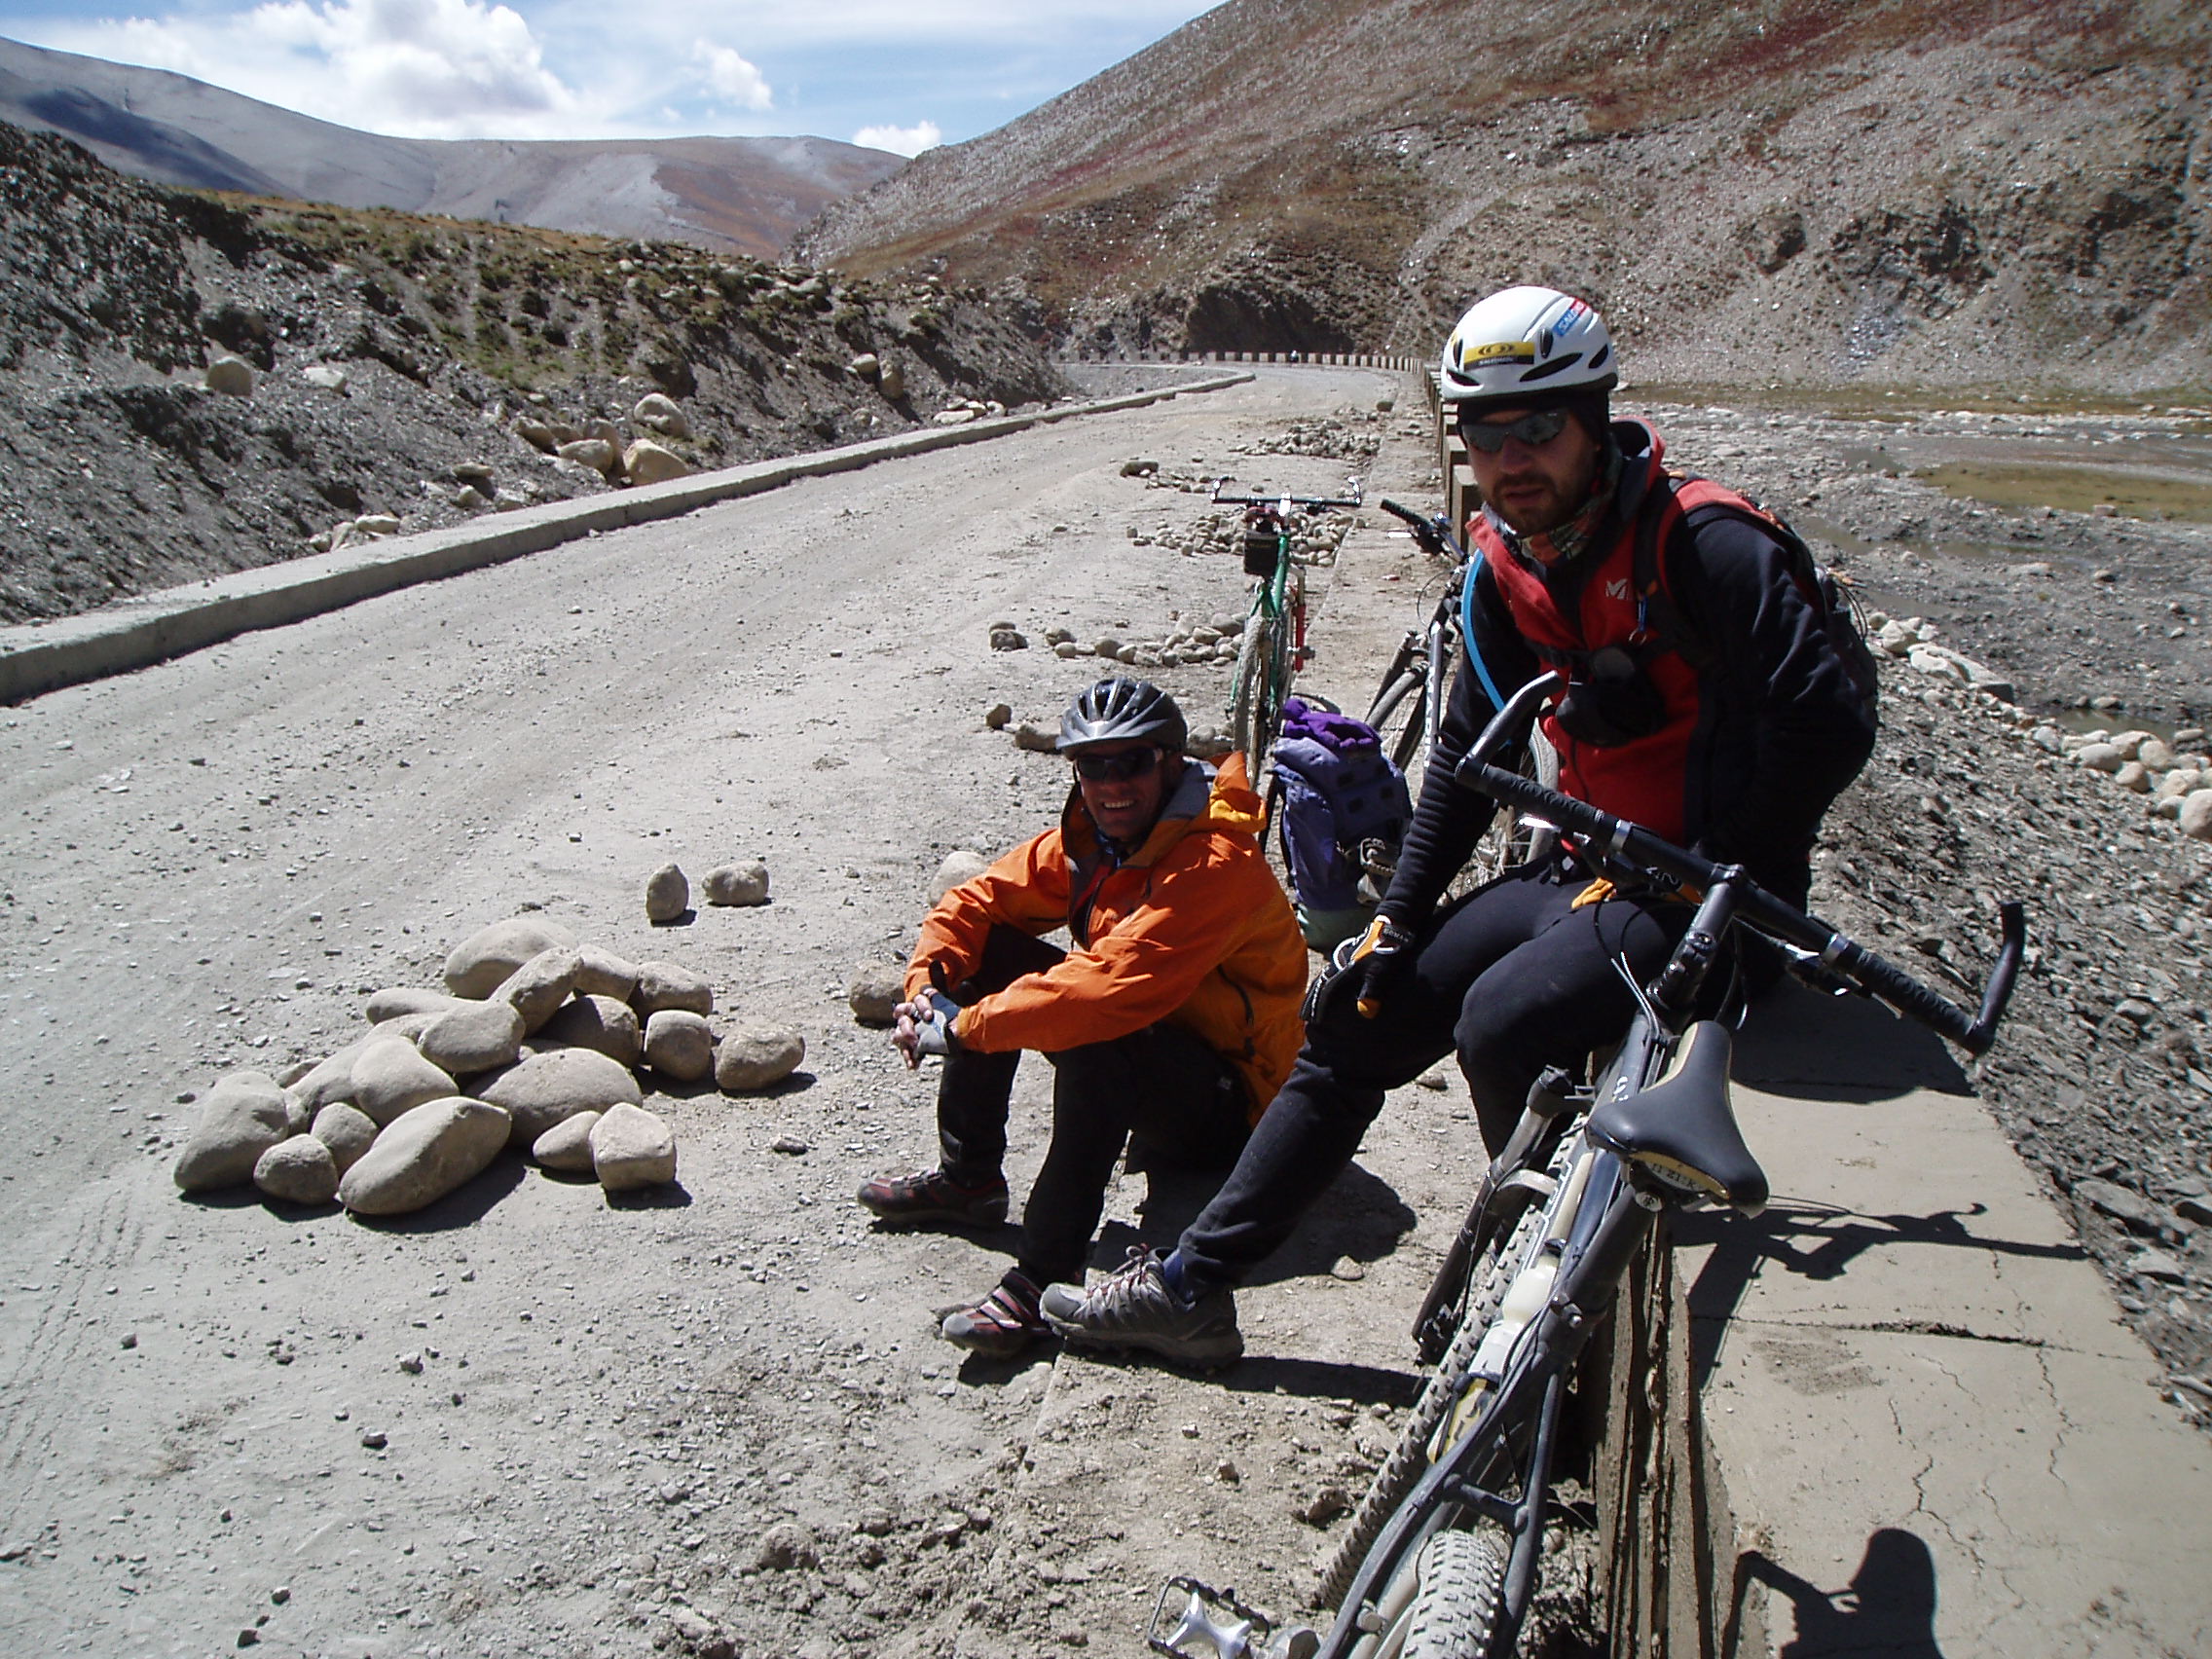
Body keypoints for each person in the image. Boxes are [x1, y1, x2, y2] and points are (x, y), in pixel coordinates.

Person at [1040, 285, 1878, 1366]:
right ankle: (1192, 1289)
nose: (1510, 457)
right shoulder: (1505, 570)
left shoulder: (1705, 545)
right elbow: (1465, 764)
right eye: (1484, 435)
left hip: (1715, 899)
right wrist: (1392, 919)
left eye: (1538, 428)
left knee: (1500, 1022)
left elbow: (1829, 721)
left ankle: (1537, 1295)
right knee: (1356, 1008)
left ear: (1596, 417)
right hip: (1593, 864)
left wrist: (1724, 868)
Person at [857, 677, 1309, 1358]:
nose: (1109, 783)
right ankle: (969, 1178)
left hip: (1235, 1107)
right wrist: (930, 987)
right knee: (986, 954)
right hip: (1168, 1060)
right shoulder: (1099, 841)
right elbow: (978, 901)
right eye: (1092, 765)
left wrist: (962, 1028)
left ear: (1169, 761)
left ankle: (1046, 1274)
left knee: (1104, 1033)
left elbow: (1109, 990)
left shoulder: (1215, 862)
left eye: (1130, 761)